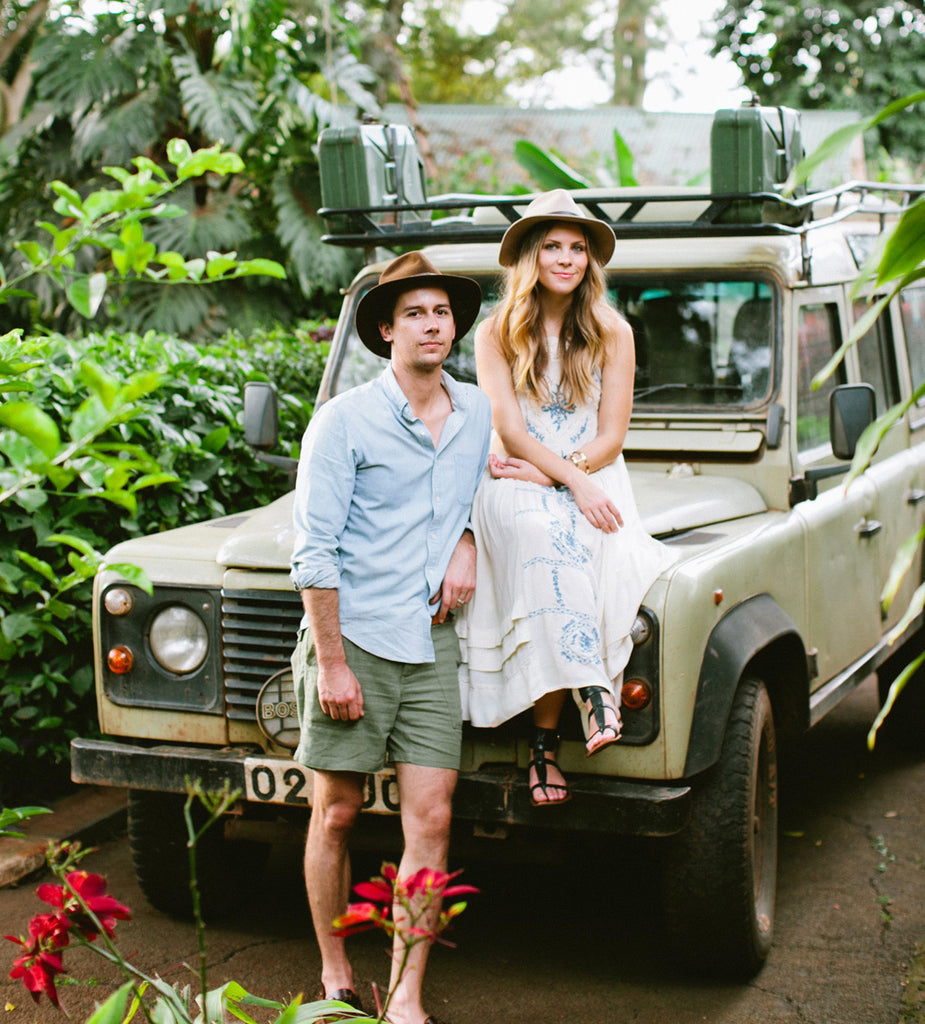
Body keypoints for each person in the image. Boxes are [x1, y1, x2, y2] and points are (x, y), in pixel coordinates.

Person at [289, 251, 491, 1024]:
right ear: (385, 329)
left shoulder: (474, 412)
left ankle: (405, 992)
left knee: (432, 819)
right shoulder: (343, 421)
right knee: (336, 812)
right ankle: (335, 966)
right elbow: (314, 551)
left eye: (441, 312)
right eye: (414, 313)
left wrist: (467, 536)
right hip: (358, 640)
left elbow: (484, 490)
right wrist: (333, 664)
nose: (431, 324)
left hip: (431, 641)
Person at [456, 189, 674, 807]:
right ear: (528, 255)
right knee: (539, 531)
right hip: (512, 477)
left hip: (590, 473)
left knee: (584, 533)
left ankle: (546, 745)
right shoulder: (496, 332)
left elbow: (611, 436)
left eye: (577, 248)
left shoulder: (612, 331)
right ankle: (592, 688)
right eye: (552, 246)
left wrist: (568, 478)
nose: (566, 258)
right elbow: (511, 431)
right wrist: (566, 482)